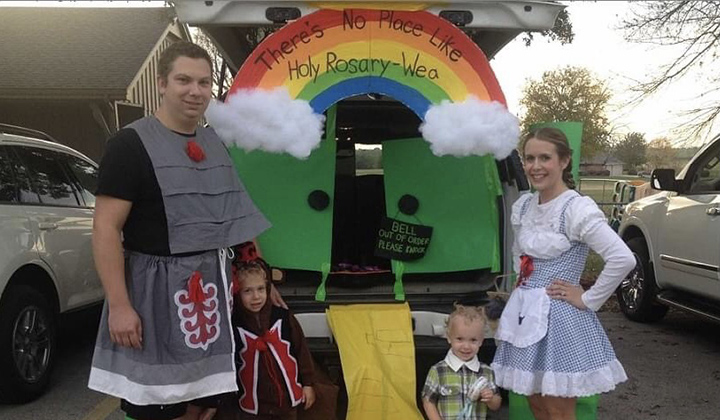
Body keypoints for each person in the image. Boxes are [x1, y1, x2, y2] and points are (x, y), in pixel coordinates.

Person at [88, 41, 271, 420]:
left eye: (204, 83)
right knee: (157, 405)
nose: (195, 91)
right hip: (152, 294)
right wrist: (120, 306)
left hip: (209, 292)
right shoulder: (129, 145)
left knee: (204, 404)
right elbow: (106, 228)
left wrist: (263, 282)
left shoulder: (213, 143)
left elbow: (233, 223)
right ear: (161, 83)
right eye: (183, 80)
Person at [491, 127, 636, 420]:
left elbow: (622, 258)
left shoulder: (575, 209)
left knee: (558, 412)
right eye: (530, 158)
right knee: (536, 404)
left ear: (564, 161)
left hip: (560, 321)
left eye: (545, 157)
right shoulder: (524, 207)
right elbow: (519, 255)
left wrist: (587, 298)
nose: (536, 166)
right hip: (525, 319)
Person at [223, 242, 316, 420]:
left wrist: (308, 384)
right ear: (237, 293)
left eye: (260, 289)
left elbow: (301, 351)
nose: (256, 296)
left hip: (287, 403)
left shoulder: (283, 317)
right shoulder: (235, 325)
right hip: (252, 408)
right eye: (247, 291)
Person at [422, 304, 501, 420]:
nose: (466, 346)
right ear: (449, 337)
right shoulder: (438, 371)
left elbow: (496, 404)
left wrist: (490, 399)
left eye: (473, 340)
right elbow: (428, 401)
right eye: (460, 339)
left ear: (481, 341)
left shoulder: (486, 371)